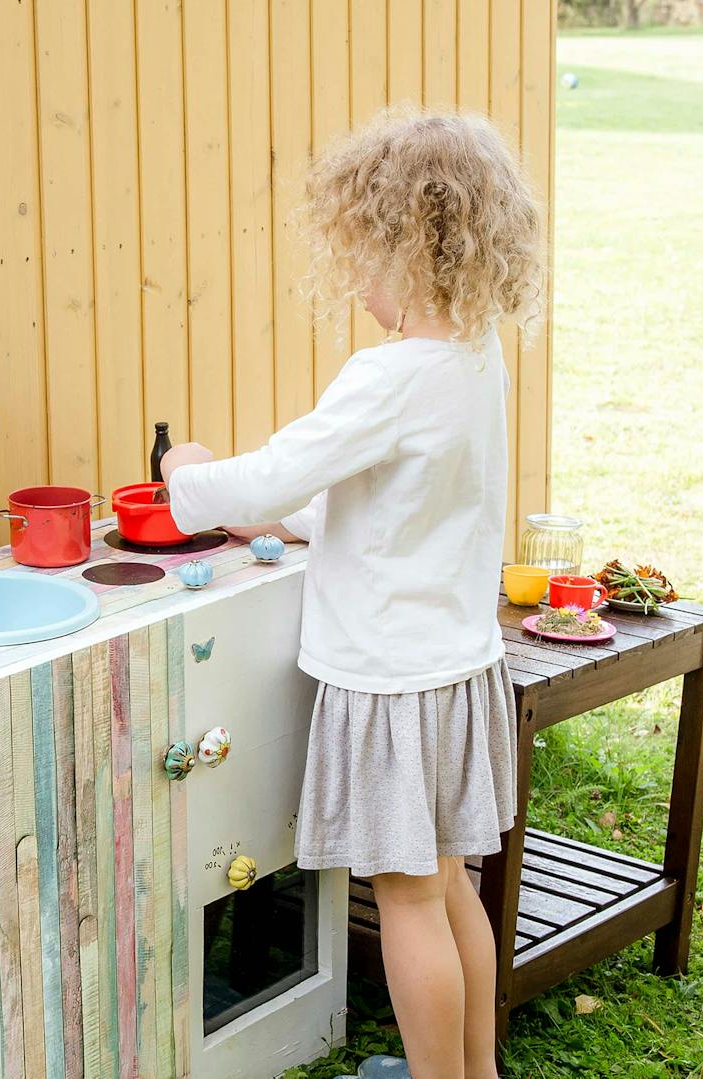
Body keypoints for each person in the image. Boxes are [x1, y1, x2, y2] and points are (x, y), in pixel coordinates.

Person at [160, 109, 547, 1079]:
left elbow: (269, 475)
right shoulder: (477, 355)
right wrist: (295, 524)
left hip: (390, 683)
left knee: (406, 898)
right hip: (457, 669)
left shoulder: (388, 375)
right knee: (449, 884)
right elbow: (403, 499)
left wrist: (186, 474)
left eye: (365, 255)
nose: (357, 280)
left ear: (410, 248)